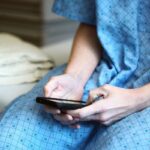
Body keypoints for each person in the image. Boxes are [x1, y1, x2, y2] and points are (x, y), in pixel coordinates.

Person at [0, 0, 150, 149]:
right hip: (100, 67)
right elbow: (92, 21)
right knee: (10, 140)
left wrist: (138, 98)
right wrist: (74, 77)